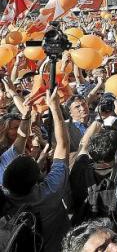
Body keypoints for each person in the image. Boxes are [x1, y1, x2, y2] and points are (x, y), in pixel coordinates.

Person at [1, 88, 71, 252]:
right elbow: (63, 145)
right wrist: (55, 108)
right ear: (37, 178)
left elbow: (20, 140)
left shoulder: (3, 190)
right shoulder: (51, 190)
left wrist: (26, 116)